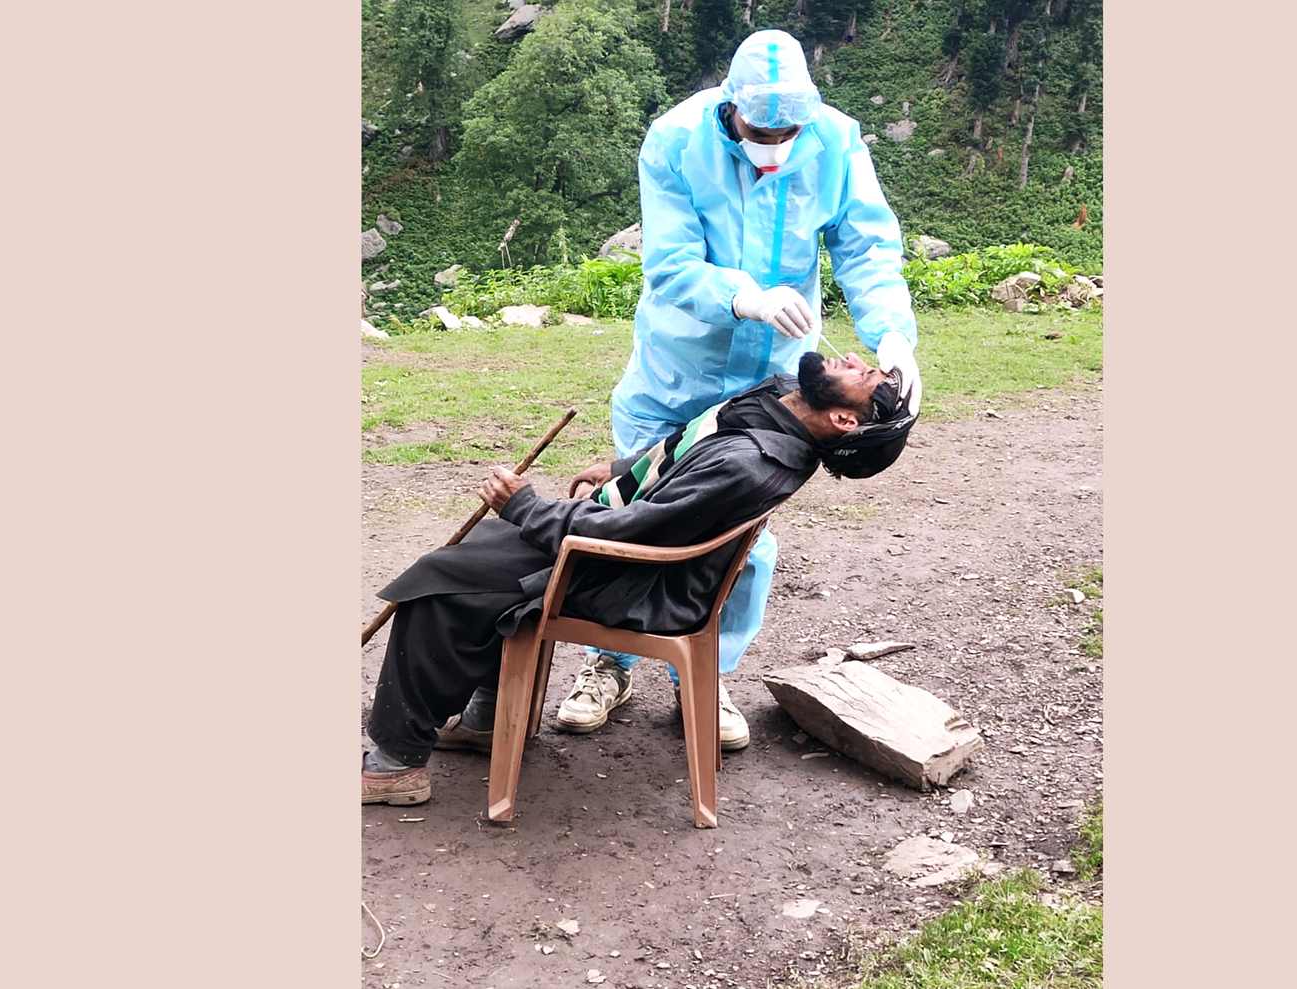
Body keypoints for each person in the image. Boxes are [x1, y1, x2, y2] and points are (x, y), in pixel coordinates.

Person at [554, 28, 923, 747]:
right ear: (731, 108)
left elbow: (868, 247)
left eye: (791, 130)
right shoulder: (674, 140)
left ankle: (703, 671)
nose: (778, 144)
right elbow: (669, 260)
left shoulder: (837, 141)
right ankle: (610, 660)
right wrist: (742, 295)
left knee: (742, 533)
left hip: (773, 380)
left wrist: (894, 336)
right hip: (677, 363)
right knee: (632, 511)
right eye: (763, 130)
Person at [362, 352, 918, 805]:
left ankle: (395, 767)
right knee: (480, 552)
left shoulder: (750, 462)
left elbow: (639, 533)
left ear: (844, 420)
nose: (850, 358)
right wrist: (625, 469)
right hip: (638, 553)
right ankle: (486, 719)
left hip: (640, 580)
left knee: (442, 585)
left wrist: (527, 508)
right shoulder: (776, 406)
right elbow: (692, 440)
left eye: (863, 374)